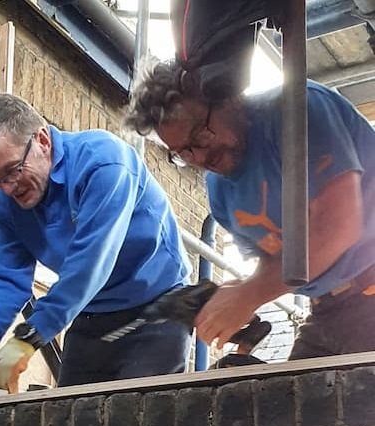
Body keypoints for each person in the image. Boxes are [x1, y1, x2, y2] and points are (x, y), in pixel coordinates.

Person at [0, 92, 191, 398]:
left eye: (12, 170)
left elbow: (89, 263)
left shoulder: (104, 162)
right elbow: (5, 276)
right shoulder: (5, 204)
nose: (6, 188)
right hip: (91, 313)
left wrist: (26, 340)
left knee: (138, 418)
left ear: (43, 141)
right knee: (70, 423)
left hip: (158, 308)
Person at [126, 62, 375, 359]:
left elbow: (339, 228)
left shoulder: (298, 109)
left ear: (228, 98)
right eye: (183, 152)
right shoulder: (220, 192)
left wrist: (249, 294)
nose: (201, 156)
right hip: (327, 309)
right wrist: (232, 295)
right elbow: (273, 261)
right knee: (289, 402)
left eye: (200, 136)